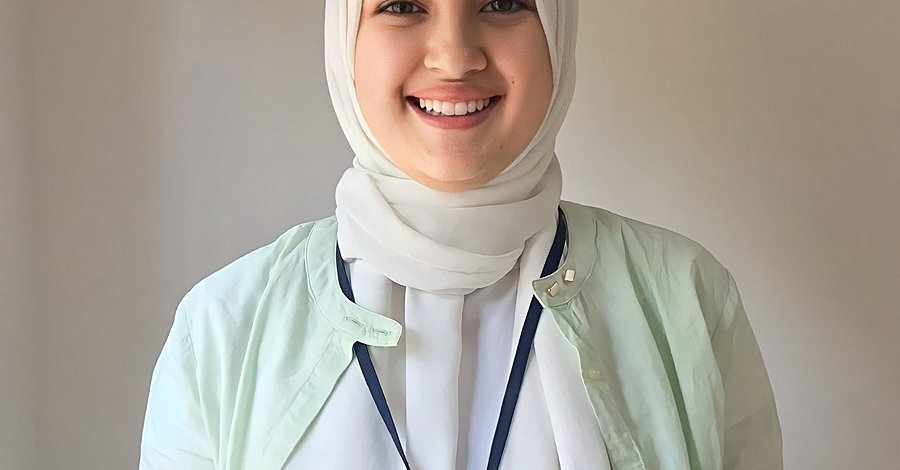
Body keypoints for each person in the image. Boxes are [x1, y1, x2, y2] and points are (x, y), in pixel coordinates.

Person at [140, 0, 782, 468]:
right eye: (402, 5)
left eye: (502, 2)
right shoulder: (222, 329)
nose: (454, 56)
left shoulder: (686, 300)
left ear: (557, 30)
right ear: (346, 38)